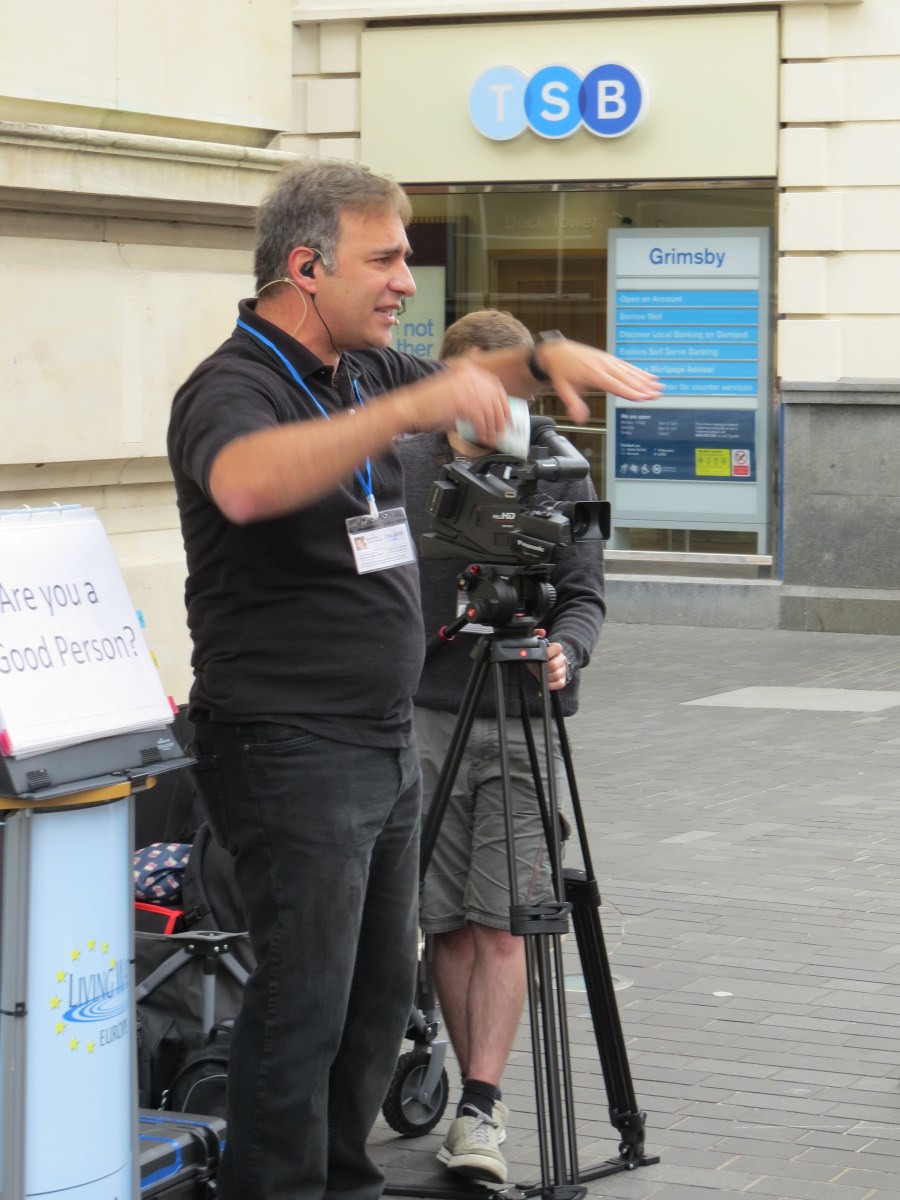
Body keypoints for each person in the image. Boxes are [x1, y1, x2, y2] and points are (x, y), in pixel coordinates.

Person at [166, 158, 660, 1200]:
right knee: (301, 1008)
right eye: (384, 259)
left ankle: (345, 1181)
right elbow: (246, 483)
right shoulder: (234, 386)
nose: (404, 281)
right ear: (307, 267)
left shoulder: (361, 370)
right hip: (288, 744)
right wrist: (404, 410)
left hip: (380, 737)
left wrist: (546, 356)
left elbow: (473, 377)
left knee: (373, 1002)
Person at [398, 310, 605, 1185]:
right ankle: (463, 1097)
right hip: (421, 716)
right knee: (444, 920)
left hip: (521, 716)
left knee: (505, 918)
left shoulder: (556, 466)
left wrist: (567, 651)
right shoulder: (401, 461)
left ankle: (481, 1107)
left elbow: (584, 597)